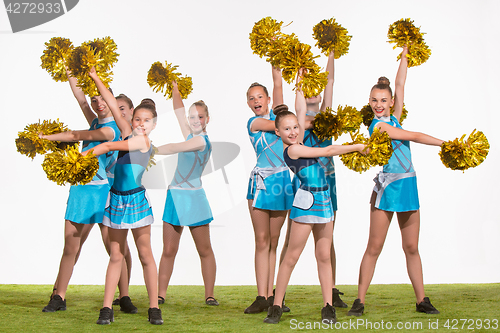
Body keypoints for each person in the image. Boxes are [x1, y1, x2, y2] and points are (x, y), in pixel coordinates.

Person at [347, 46, 442, 316]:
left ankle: (422, 300)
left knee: (411, 246)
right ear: (369, 102)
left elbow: (400, 83)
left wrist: (404, 54)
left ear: (390, 102)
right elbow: (414, 136)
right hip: (387, 187)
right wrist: (446, 145)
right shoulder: (379, 126)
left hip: (408, 184)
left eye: (383, 100)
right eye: (374, 100)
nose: (379, 105)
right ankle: (360, 300)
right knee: (374, 246)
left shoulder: (395, 118)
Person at [264, 79, 367, 324]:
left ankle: (327, 306)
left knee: (323, 255)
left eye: (295, 127)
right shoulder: (293, 151)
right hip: (306, 203)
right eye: (286, 129)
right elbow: (328, 151)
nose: (292, 131)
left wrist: (300, 82)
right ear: (277, 132)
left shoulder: (299, 139)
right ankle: (276, 305)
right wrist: (356, 147)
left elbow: (300, 109)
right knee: (291, 256)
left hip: (324, 201)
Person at [39, 70, 136, 314]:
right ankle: (58, 296)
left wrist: (46, 137)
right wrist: (70, 70)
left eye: (102, 98)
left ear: (110, 99)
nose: (98, 103)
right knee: (71, 246)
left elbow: (80, 136)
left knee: (115, 249)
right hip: (81, 191)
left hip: (103, 193)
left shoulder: (113, 129)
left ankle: (124, 296)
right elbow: (79, 98)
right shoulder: (95, 119)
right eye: (95, 100)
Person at [84, 71, 162, 325]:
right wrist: (96, 77)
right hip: (116, 199)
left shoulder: (142, 142)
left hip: (136, 200)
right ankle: (107, 308)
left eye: (146, 120)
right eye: (137, 118)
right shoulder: (127, 131)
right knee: (116, 255)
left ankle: (154, 308)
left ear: (153, 125)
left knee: (145, 254)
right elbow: (110, 99)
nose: (140, 123)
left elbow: (107, 147)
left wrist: (80, 158)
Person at [279, 50, 347, 308]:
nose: (313, 93)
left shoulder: (326, 117)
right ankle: (279, 295)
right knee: (293, 240)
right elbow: (298, 104)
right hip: (306, 184)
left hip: (328, 182)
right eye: (307, 90)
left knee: (327, 239)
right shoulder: (300, 123)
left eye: (315, 89)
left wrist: (331, 52)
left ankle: (331, 289)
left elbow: (330, 82)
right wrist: (299, 73)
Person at [156, 81, 218, 306]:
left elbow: (174, 148)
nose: (195, 120)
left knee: (204, 249)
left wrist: (151, 149)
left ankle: (209, 294)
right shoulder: (191, 135)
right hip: (175, 196)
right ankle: (160, 294)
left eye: (200, 117)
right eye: (192, 117)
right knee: (169, 249)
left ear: (207, 119)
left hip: (194, 198)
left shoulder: (201, 141)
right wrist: (173, 86)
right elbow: (178, 110)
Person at [244, 66, 293, 314]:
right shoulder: (255, 123)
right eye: (251, 98)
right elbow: (281, 122)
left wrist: (277, 66)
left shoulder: (280, 119)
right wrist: (294, 120)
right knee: (261, 240)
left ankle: (274, 295)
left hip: (282, 184)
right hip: (261, 184)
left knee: (274, 241)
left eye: (260, 97)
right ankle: (261, 295)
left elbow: (278, 85)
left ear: (268, 100)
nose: (256, 101)